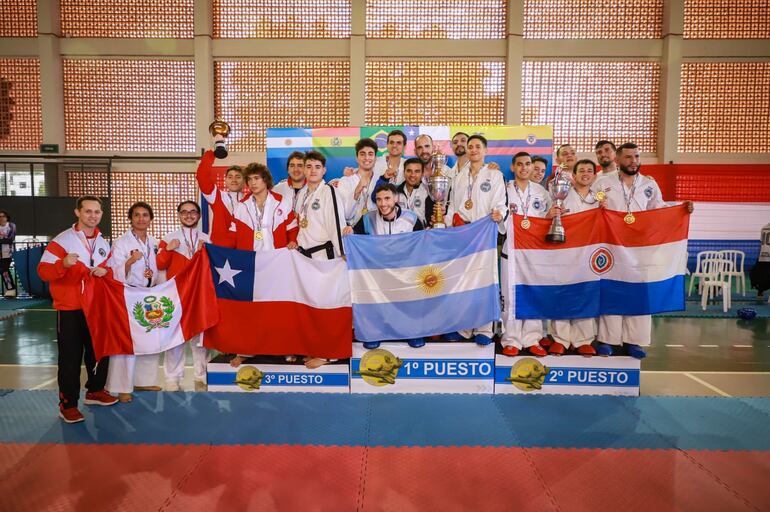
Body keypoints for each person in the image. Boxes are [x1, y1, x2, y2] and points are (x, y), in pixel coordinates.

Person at [593, 142, 693, 359]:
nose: (633, 161)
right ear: (618, 161)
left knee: (639, 291)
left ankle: (635, 341)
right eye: (628, 157)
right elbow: (591, 208)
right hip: (611, 244)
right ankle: (608, 339)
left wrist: (681, 209)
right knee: (612, 288)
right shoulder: (602, 184)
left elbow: (659, 209)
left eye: (637, 157)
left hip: (641, 247)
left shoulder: (649, 184)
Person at [37, 196, 117, 423]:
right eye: (88, 211)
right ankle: (68, 404)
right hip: (70, 307)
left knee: (98, 351)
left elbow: (110, 270)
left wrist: (106, 273)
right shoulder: (62, 241)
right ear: (78, 213)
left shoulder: (103, 242)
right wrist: (61, 265)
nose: (93, 215)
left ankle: (95, 390)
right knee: (70, 358)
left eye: (97, 212)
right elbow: (42, 271)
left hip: (96, 307)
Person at [344, 183, 424, 349]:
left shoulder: (412, 218)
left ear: (395, 198)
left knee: (409, 302)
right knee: (375, 302)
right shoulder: (368, 218)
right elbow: (356, 241)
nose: (383, 203)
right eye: (379, 199)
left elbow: (421, 245)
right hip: (377, 273)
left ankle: (413, 333)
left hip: (405, 272)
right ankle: (374, 333)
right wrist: (349, 232)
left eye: (387, 198)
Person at [443, 134, 506, 346]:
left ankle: (485, 329)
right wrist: (449, 220)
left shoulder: (494, 174)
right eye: (470, 147)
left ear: (485, 151)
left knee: (485, 281)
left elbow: (500, 203)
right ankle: (463, 327)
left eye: (478, 146)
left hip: (484, 232)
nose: (473, 150)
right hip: (463, 234)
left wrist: (499, 214)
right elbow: (453, 204)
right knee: (463, 281)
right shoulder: (459, 177)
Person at [106, 202, 162, 402]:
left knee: (148, 339)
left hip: (150, 294)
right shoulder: (121, 243)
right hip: (128, 294)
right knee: (126, 341)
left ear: (150, 218)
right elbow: (114, 272)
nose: (141, 219)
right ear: (130, 218)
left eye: (145, 215)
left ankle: (144, 380)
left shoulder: (155, 242)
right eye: (136, 215)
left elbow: (161, 269)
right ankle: (122, 387)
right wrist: (130, 262)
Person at [548, 159, 603, 357]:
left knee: (585, 294)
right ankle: (560, 339)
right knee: (562, 293)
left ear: (595, 176)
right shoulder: (561, 194)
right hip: (564, 251)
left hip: (589, 253)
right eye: (581, 171)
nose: (585, 174)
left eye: (589, 171)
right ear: (574, 175)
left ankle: (583, 339)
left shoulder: (599, 198)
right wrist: (553, 213)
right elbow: (548, 217)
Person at [156, 200, 211, 391]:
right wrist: (168, 249)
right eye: (184, 212)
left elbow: (211, 268)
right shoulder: (168, 238)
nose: (189, 215)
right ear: (178, 215)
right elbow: (160, 265)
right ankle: (172, 377)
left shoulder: (207, 238)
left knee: (201, 337)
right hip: (175, 295)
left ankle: (202, 374)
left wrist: (203, 253)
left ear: (199, 215)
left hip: (199, 295)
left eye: (193, 212)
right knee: (175, 338)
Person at [500, 152, 551, 357]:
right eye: (519, 164)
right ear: (512, 167)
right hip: (510, 249)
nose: (524, 168)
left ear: (532, 167)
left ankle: (532, 338)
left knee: (533, 295)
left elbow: (547, 220)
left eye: (527, 164)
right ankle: (511, 339)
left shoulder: (541, 192)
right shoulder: (504, 189)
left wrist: (551, 216)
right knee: (510, 297)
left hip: (534, 251)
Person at [233, 163, 299, 252]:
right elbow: (232, 235)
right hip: (251, 260)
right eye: (249, 179)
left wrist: (292, 241)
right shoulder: (241, 206)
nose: (253, 183)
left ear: (265, 180)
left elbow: (292, 228)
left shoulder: (281, 202)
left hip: (276, 258)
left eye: (256, 178)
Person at [296, 151, 346, 261]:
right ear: (304, 170)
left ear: (324, 170)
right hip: (304, 255)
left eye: (317, 167)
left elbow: (336, 223)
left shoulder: (328, 191)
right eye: (309, 166)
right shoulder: (301, 194)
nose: (313, 170)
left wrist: (343, 251)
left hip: (324, 255)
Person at [196, 143, 248, 247]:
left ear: (244, 180)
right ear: (225, 180)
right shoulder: (217, 196)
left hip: (244, 251)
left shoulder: (251, 200)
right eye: (230, 177)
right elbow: (202, 176)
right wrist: (213, 152)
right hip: (219, 252)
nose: (234, 180)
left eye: (238, 177)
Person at [372, 157, 430, 225]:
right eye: (409, 171)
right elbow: (374, 198)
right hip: (400, 233)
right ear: (404, 172)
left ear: (422, 174)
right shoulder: (396, 191)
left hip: (420, 233)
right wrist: (384, 179)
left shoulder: (428, 192)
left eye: (417, 171)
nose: (412, 175)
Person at [336, 138, 379, 227]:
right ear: (356, 158)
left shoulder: (380, 181)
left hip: (376, 232)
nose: (367, 158)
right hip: (353, 233)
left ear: (375, 158)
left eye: (370, 154)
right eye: (362, 154)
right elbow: (346, 215)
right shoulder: (345, 181)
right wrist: (356, 192)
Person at [749, 221, 770, 300]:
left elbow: (762, 242)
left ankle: (760, 292)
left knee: (762, 276)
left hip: (763, 255)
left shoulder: (764, 227)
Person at [0, 210, 17, 297]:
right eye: (0, 217)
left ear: (7, 217)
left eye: (3, 216)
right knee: (2, 271)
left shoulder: (11, 226)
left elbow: (10, 239)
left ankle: (11, 289)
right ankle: (10, 289)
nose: (1, 218)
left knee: (4, 270)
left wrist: (2, 240)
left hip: (7, 252)